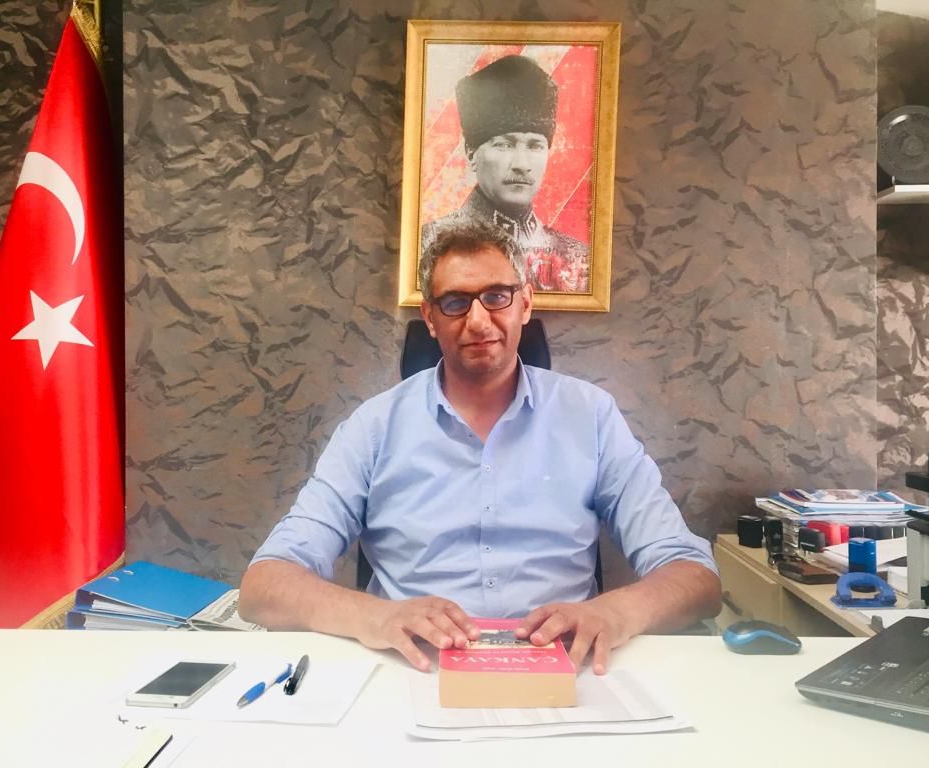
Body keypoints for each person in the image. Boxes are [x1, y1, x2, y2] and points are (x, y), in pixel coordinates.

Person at [239, 220, 721, 675]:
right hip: (412, 671)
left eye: (496, 296)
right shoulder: (374, 427)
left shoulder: (591, 416)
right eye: (454, 302)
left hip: (563, 672)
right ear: (430, 317)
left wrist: (615, 613)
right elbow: (264, 586)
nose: (477, 320)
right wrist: (375, 616)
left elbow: (695, 577)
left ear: (525, 304)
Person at [420, 54, 591, 293]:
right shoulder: (426, 244)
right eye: (505, 145)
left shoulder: (578, 258)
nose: (521, 164)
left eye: (535, 146)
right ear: (471, 152)